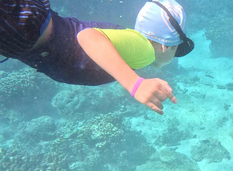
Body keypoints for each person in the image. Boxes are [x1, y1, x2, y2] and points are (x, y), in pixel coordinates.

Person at [0, 0, 194, 114]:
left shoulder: (131, 43)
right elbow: (88, 37)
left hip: (26, 32)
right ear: (165, 46)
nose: (175, 55)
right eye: (177, 49)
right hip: (24, 24)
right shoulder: (144, 50)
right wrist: (136, 84)